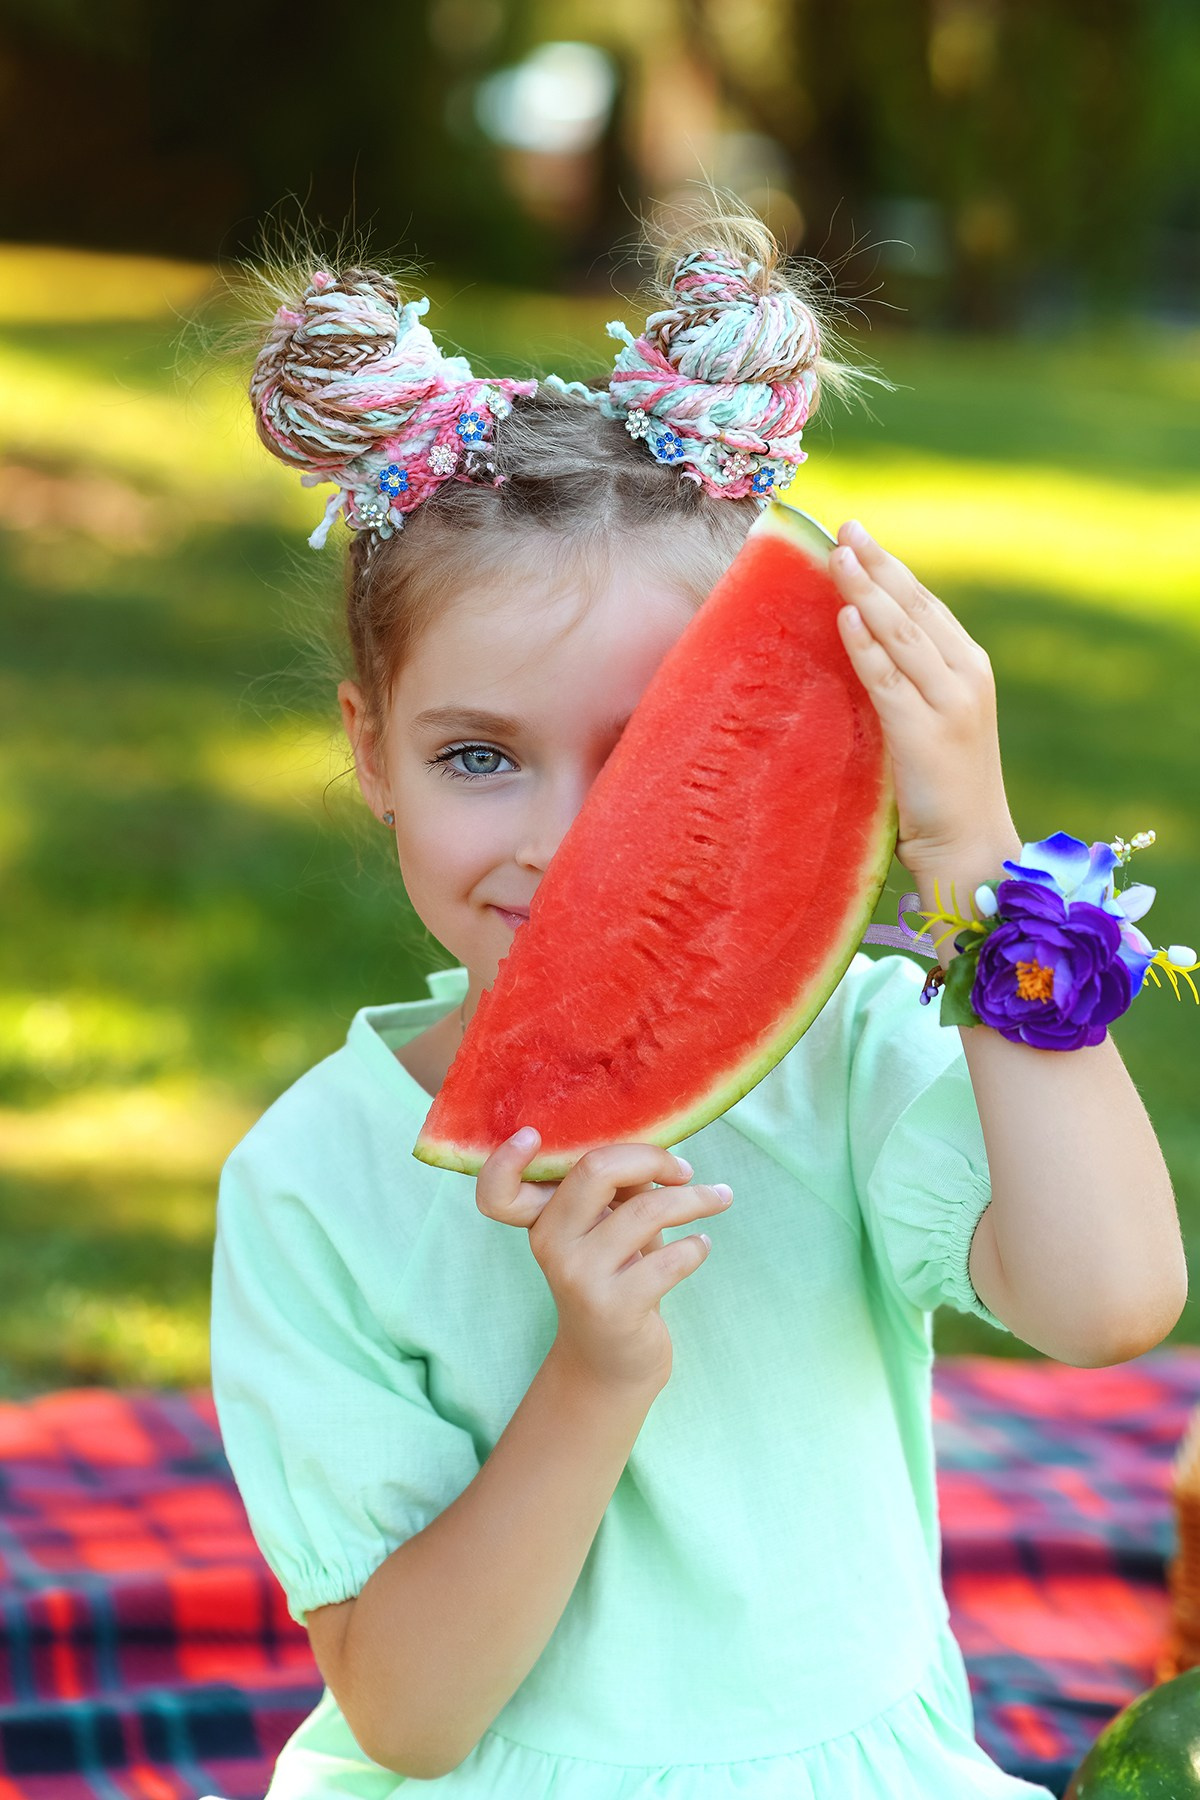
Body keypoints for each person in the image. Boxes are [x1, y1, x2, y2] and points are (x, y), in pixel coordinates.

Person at [208, 200, 1188, 1798]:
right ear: (368, 749)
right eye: (478, 757)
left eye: (658, 762)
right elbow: (410, 1714)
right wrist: (595, 1376)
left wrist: (983, 864)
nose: (568, 847)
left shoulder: (851, 1063)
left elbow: (1111, 1303)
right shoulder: (311, 1187)